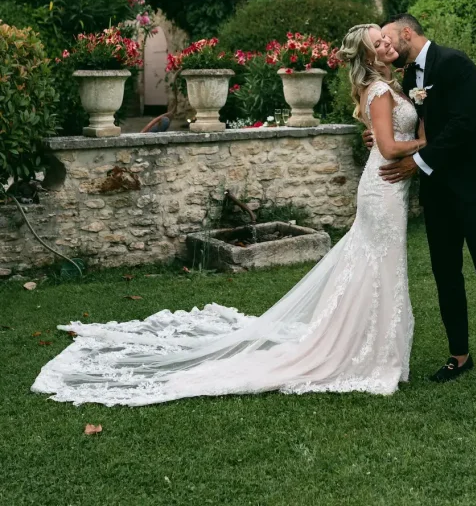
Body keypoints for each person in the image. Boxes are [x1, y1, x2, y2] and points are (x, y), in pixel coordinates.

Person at [32, 24, 422, 407]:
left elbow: (383, 137)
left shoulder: (389, 85)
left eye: (385, 38)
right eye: (378, 41)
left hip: (387, 186)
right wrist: (427, 142)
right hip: (383, 187)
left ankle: (367, 339)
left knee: (375, 265)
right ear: (368, 55)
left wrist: (396, 134)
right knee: (377, 263)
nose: (387, 42)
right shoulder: (378, 90)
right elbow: (389, 148)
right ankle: (364, 347)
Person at [373, 14, 476, 403]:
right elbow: (418, 128)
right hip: (437, 192)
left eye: (390, 38)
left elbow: (464, 124)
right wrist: (382, 136)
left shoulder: (455, 63)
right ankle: (459, 356)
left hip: (471, 186)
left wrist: (417, 162)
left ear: (407, 33)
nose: (387, 47)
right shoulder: (409, 79)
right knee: (446, 274)